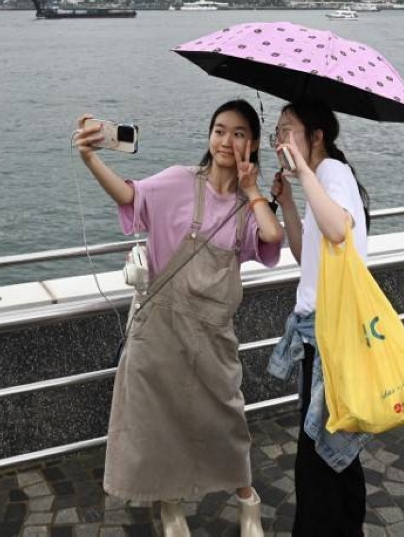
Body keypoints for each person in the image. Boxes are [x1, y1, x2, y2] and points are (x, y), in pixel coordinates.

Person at [74, 99, 283, 537]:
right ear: (209, 136)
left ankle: (249, 501)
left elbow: (271, 236)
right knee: (161, 421)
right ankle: (171, 508)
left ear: (254, 143)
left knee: (227, 418)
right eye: (220, 130)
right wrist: (91, 158)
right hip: (161, 327)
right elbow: (131, 196)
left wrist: (252, 190)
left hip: (212, 334)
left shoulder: (250, 206)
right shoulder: (177, 181)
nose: (227, 140)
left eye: (239, 133)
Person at [267, 100, 373, 535]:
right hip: (322, 336)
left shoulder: (333, 174)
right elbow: (304, 252)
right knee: (333, 454)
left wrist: (306, 174)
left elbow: (337, 230)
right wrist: (288, 201)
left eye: (288, 130)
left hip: (332, 337)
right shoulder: (320, 181)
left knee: (316, 461)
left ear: (317, 137)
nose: (279, 140)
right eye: (276, 131)